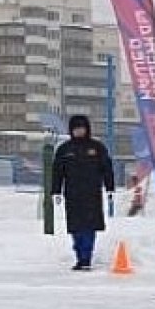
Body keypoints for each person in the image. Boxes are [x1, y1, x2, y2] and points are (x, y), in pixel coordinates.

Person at [51, 114, 115, 270]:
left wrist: (110, 188)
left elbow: (107, 169)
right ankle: (79, 254)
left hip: (92, 194)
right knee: (76, 227)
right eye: (76, 128)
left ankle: (86, 258)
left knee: (90, 227)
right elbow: (57, 171)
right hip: (73, 194)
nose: (79, 131)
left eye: (82, 128)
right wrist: (56, 191)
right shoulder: (64, 150)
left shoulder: (97, 148)